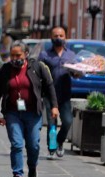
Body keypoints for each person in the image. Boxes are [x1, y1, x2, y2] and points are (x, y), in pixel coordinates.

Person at [0, 41, 59, 177]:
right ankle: (17, 174)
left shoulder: (37, 67)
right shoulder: (5, 70)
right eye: (12, 55)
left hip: (33, 112)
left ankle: (32, 165)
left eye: (18, 55)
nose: (15, 58)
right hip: (12, 113)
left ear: (26, 54)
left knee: (33, 144)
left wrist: (54, 106)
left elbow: (49, 85)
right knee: (16, 144)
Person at [38, 26, 76, 159]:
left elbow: (76, 73)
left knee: (67, 121)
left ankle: (60, 141)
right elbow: (38, 72)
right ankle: (52, 148)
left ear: (65, 37)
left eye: (61, 36)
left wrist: (77, 72)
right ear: (51, 38)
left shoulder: (70, 55)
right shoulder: (44, 55)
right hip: (49, 94)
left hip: (65, 94)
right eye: (56, 36)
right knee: (51, 123)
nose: (58, 38)